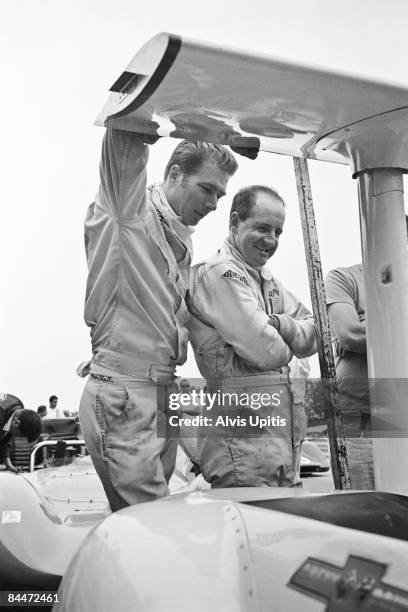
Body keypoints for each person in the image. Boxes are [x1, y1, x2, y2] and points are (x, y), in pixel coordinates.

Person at [79, 125, 237, 511]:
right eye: (207, 188)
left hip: (160, 394)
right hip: (125, 398)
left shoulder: (180, 236)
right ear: (174, 175)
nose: (215, 203)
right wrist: (197, 118)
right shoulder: (126, 212)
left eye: (220, 193)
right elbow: (124, 137)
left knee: (154, 521)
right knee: (151, 522)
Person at [187, 184, 317, 487]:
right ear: (234, 223)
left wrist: (283, 325)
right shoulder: (218, 274)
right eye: (261, 228)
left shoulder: (268, 280)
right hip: (242, 449)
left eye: (278, 232)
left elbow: (317, 334)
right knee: (253, 530)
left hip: (281, 443)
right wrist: (291, 348)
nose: (270, 241)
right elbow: (266, 351)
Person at [325, 263, 375, 489]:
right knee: (364, 507)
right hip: (361, 420)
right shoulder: (343, 277)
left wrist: (367, 326)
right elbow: (350, 335)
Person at [0, 395, 42, 473]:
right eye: (19, 435)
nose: (16, 437)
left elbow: (5, 438)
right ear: (16, 423)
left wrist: (8, 464)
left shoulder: (18, 409)